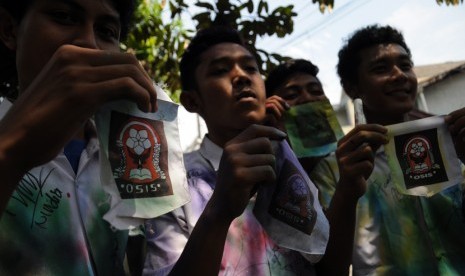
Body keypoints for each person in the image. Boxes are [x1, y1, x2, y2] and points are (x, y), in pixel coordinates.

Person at [143, 26, 364, 276]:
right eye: (220, 70)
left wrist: (348, 191)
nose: (241, 76)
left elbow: (330, 269)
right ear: (192, 101)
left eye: (250, 68)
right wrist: (219, 211)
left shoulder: (288, 164)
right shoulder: (172, 183)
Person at [0, 0, 158, 274]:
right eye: (63, 16)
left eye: (106, 32)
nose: (88, 43)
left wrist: (218, 214)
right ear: (9, 30)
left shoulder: (126, 154)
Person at [310, 24, 465, 275]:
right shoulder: (335, 170)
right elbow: (329, 268)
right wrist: (347, 193)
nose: (399, 75)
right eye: (381, 69)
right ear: (352, 88)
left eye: (405, 66)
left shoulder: (454, 144)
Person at [264, 58, 332, 173]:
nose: (308, 99)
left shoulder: (351, 158)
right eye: (291, 95)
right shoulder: (264, 169)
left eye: (316, 91)